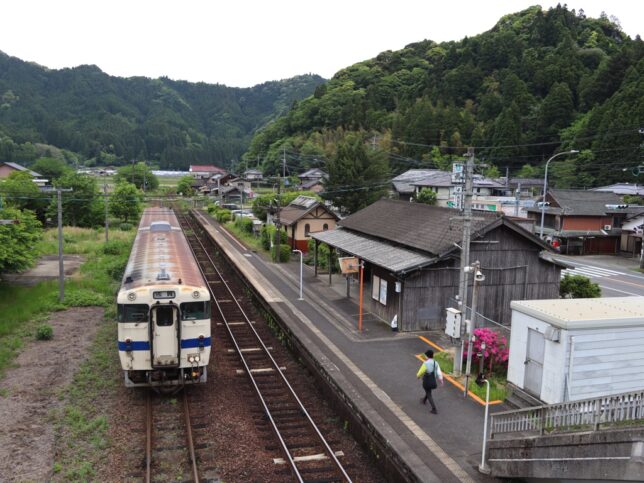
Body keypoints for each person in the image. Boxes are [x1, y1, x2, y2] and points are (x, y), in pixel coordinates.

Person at [416, 349, 444, 414]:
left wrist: (418, 376)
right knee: (428, 391)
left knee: (429, 393)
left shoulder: (426, 363)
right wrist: (441, 379)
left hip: (426, 381)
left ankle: (434, 409)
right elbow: (439, 372)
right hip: (433, 381)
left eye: (425, 355)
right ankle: (424, 400)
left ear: (427, 356)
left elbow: (421, 372)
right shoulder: (435, 363)